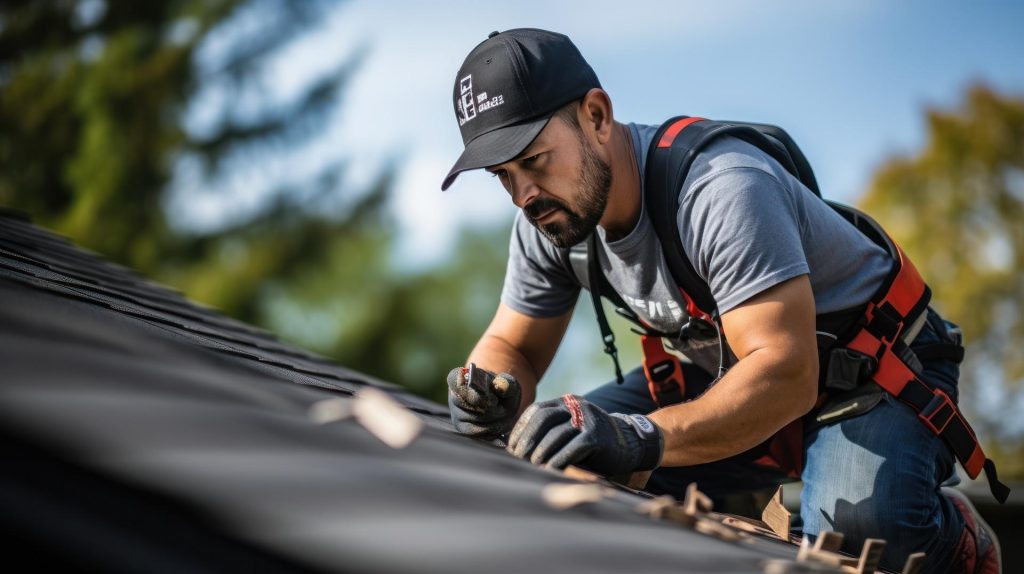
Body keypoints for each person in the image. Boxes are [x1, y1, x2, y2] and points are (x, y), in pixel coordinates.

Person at [440, 28, 1002, 573]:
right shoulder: (553, 220)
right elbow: (513, 345)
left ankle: (953, 539)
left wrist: (640, 438)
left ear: (596, 116)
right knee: (569, 455)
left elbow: (786, 374)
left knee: (859, 540)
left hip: (875, 371)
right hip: (731, 371)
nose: (523, 196)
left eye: (533, 160)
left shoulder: (721, 187)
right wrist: (488, 392)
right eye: (502, 176)